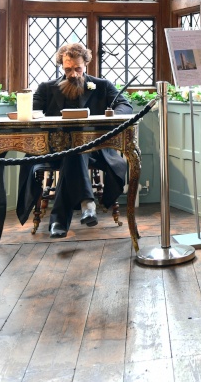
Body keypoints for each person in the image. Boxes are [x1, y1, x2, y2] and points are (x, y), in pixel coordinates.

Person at [15, 42, 133, 238]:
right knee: (74, 151)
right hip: (53, 150)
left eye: (77, 68)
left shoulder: (102, 86)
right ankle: (87, 203)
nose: (73, 74)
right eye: (68, 69)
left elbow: (124, 105)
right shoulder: (46, 88)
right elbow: (30, 112)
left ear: (86, 64)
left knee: (75, 150)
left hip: (96, 149)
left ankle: (59, 220)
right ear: (62, 66)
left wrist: (109, 117)